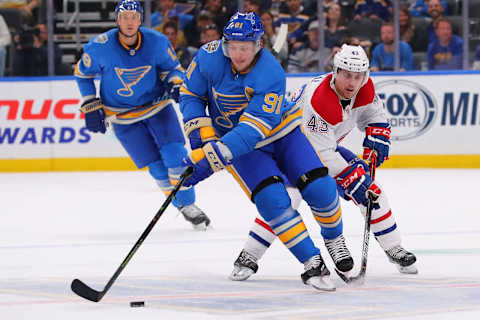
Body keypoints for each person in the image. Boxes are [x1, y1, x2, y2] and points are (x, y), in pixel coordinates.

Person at [179, 12, 353, 291]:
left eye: (245, 47)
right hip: (239, 145)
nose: (238, 54)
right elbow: (190, 94)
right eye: (233, 47)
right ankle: (312, 262)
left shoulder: (270, 72)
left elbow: (253, 129)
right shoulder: (207, 56)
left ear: (258, 44)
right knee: (272, 201)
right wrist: (203, 138)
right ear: (224, 43)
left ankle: (334, 239)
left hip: (282, 133)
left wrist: (215, 155)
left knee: (320, 189)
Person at [230, 44, 418, 282]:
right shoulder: (318, 100)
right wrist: (351, 176)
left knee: (372, 191)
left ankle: (394, 248)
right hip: (287, 149)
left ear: (365, 76)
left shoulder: (364, 90)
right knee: (287, 200)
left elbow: (373, 116)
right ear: (335, 72)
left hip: (321, 148)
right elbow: (319, 155)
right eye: (347, 75)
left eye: (357, 76)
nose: (352, 82)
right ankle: (249, 255)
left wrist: (377, 133)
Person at [73, 0, 210, 230]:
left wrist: (176, 83)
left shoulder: (156, 41)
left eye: (133, 17)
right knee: (156, 167)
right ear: (117, 20)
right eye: (124, 17)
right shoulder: (100, 46)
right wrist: (90, 103)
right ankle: (180, 205)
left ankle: (188, 204)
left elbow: (172, 69)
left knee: (175, 156)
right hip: (122, 117)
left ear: (140, 20)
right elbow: (81, 74)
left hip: (157, 107)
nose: (129, 21)